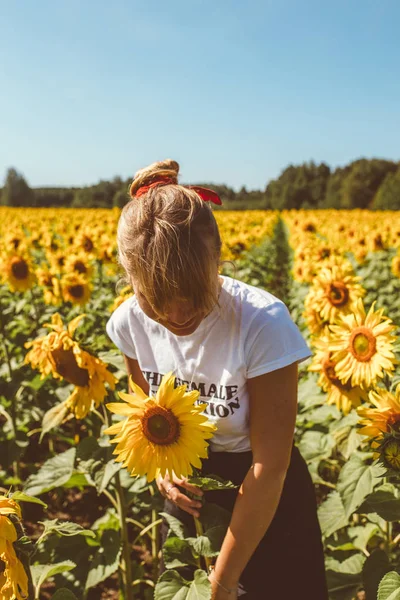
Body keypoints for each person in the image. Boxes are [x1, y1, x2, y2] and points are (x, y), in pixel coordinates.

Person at [106, 159, 329, 599]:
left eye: (193, 295)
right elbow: (145, 412)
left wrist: (222, 581)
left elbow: (271, 466)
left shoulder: (262, 324)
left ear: (218, 261)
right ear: (131, 280)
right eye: (155, 299)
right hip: (189, 488)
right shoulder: (128, 322)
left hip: (263, 492)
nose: (177, 315)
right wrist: (161, 472)